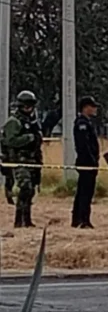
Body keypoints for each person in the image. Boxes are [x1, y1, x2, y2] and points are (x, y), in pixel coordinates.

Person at [1, 91, 42, 227]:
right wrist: (28, 138)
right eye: (26, 106)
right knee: (25, 188)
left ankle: (27, 220)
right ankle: (19, 220)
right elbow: (9, 141)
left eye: (30, 106)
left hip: (32, 160)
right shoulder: (14, 122)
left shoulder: (32, 121)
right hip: (19, 160)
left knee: (31, 190)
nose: (28, 108)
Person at [72, 96, 100, 229]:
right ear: (85, 107)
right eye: (92, 106)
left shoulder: (87, 122)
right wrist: (91, 161)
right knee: (85, 192)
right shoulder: (82, 123)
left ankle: (78, 219)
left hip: (89, 162)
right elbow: (83, 146)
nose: (95, 109)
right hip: (86, 162)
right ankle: (83, 219)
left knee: (84, 191)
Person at [0, 103, 15, 205]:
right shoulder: (8, 126)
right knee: (9, 178)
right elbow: (4, 141)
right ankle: (9, 196)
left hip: (15, 154)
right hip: (7, 155)